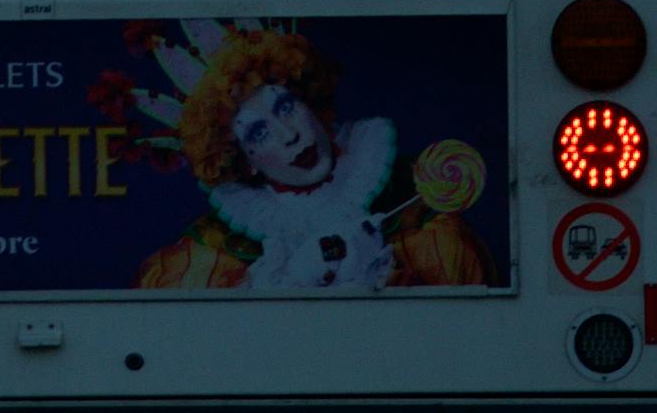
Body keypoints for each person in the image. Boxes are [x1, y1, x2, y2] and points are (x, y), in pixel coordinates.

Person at [127, 16, 495, 294]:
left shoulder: (418, 205)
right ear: (242, 159)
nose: (289, 135)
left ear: (309, 100)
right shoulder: (211, 253)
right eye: (259, 131)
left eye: (286, 108)